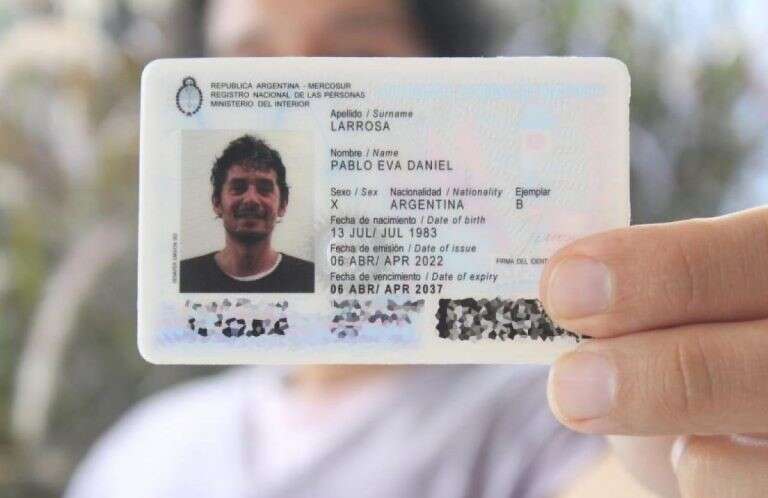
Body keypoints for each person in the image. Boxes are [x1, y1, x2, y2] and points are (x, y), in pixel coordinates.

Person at [68, 0, 768, 497]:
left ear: (457, 95)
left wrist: (684, 456)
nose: (298, 99)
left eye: (355, 59)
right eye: (249, 70)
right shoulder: (138, 457)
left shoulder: (553, 409)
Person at [180, 134, 314, 293]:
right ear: (217, 202)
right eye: (238, 188)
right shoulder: (186, 278)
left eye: (264, 189)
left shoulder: (309, 279)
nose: (251, 199)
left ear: (283, 204)